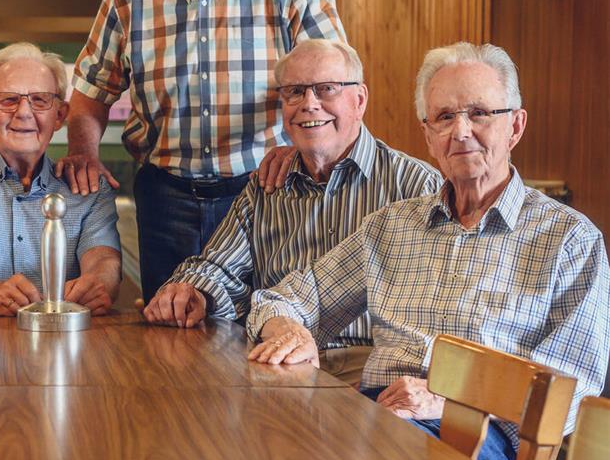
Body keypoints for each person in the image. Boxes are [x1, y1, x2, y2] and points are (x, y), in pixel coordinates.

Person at [246, 42, 609, 460]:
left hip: (479, 441)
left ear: (515, 126)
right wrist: (289, 329)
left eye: (479, 113)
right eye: (444, 117)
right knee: (260, 450)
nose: (461, 131)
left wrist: (452, 401)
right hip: (376, 418)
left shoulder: (569, 240)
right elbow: (284, 299)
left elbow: (570, 391)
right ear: (428, 136)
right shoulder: (390, 227)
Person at [57, 0, 347, 301]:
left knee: (269, 320)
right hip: (166, 198)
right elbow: (91, 93)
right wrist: (83, 154)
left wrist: (304, 149)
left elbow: (335, 83)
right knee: (168, 325)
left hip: (268, 189)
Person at [144, 40, 441, 384]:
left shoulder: (416, 186)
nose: (309, 104)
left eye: (326, 89)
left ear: (359, 100)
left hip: (375, 372)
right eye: (295, 92)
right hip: (278, 364)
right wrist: (192, 290)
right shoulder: (268, 185)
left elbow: (438, 308)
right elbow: (218, 266)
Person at [0, 42, 121, 316]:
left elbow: (105, 261)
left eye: (40, 100)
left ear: (60, 115)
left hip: (63, 337)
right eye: (9, 99)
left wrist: (99, 283)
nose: (24, 112)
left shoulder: (90, 189)